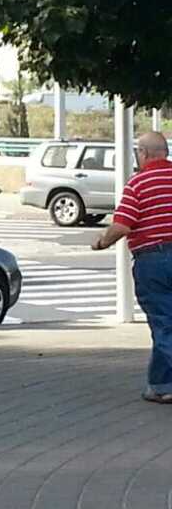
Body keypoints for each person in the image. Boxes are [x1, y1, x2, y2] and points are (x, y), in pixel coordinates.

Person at [92, 131, 172, 403]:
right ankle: (161, 385)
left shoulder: (138, 184)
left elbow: (123, 225)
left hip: (154, 260)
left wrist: (102, 242)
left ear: (144, 154)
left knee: (164, 324)